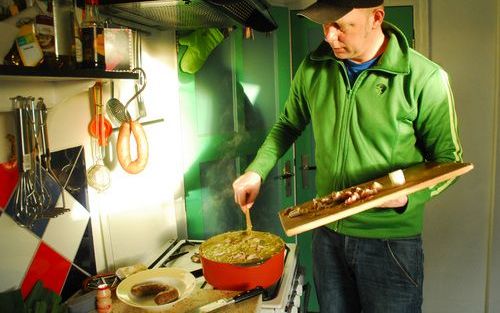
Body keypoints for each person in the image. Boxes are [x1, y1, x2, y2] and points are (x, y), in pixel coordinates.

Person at [232, 0, 463, 312]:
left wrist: (408, 198)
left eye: (340, 25)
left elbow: (448, 161)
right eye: (324, 24)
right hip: (328, 238)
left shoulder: (426, 79)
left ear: (375, 18)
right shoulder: (313, 67)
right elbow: (287, 124)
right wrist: (256, 170)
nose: (329, 36)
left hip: (390, 245)